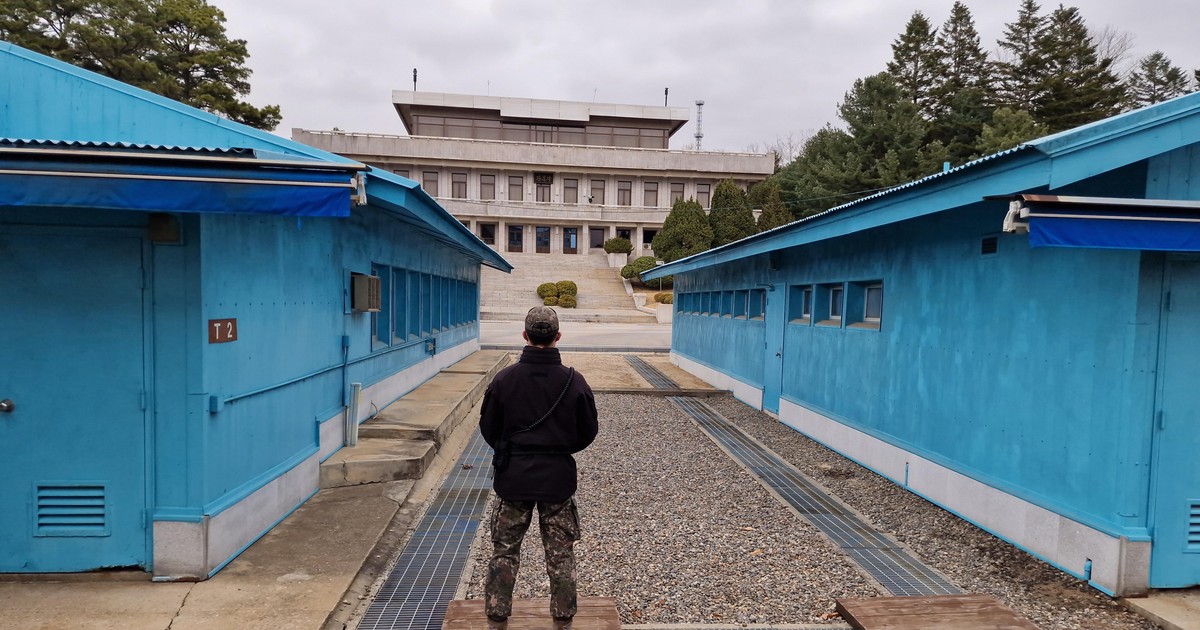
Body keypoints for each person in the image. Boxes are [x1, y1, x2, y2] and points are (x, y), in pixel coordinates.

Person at [479, 306, 599, 630]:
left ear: (525, 336)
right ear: (558, 337)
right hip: (557, 479)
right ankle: (563, 621)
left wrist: (513, 450)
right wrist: (558, 449)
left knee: (504, 551)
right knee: (560, 554)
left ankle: (496, 618)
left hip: (513, 478)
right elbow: (588, 432)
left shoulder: (504, 380)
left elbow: (489, 429)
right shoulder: (574, 382)